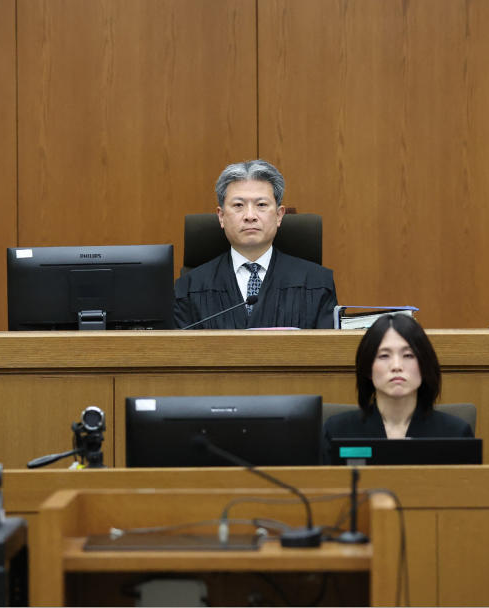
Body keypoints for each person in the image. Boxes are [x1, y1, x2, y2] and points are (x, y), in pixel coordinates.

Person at [173, 160, 338, 329]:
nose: (250, 216)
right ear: (221, 216)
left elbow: (330, 351)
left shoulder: (317, 282)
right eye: (238, 205)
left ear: (279, 215)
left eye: (261, 205)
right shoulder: (188, 288)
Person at [322, 314, 473, 463]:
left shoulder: (455, 433)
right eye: (384, 356)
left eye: (408, 355)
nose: (396, 366)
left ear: (424, 365)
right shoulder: (337, 431)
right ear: (368, 368)